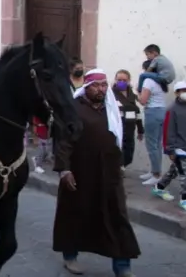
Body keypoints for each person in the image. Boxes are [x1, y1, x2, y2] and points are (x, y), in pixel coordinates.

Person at [53, 69, 140, 276]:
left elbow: (118, 138)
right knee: (74, 214)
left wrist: (120, 163)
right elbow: (63, 141)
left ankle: (122, 266)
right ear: (86, 87)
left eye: (104, 85)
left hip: (109, 173)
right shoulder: (73, 109)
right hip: (80, 172)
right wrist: (64, 169)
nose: (101, 89)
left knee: (117, 216)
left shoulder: (111, 108)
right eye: (96, 85)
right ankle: (70, 256)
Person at [151, 80, 186, 210]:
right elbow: (168, 131)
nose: (185, 93)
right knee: (184, 174)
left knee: (174, 170)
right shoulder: (172, 110)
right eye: (183, 90)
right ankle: (184, 199)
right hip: (179, 148)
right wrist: (170, 150)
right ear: (177, 93)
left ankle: (159, 187)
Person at [138, 59, 167, 185]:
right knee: (157, 144)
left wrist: (137, 93)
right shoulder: (161, 81)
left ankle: (156, 174)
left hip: (152, 112)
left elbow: (143, 100)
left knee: (151, 145)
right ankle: (155, 171)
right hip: (162, 111)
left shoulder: (148, 81)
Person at [112, 70, 144, 168]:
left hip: (130, 128)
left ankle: (123, 166)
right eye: (119, 80)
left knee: (129, 154)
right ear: (115, 80)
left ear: (129, 81)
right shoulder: (111, 95)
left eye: (124, 80)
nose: (121, 82)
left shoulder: (132, 94)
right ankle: (118, 169)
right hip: (117, 129)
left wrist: (140, 130)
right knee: (118, 152)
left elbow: (137, 112)